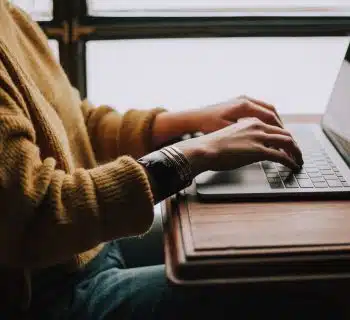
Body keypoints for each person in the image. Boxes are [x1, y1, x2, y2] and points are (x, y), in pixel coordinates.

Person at [3, 1, 345, 319]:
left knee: (272, 251)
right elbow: (38, 214)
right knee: (295, 285)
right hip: (50, 297)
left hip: (90, 246)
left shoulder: (8, 14)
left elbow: (76, 124)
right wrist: (191, 155)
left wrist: (190, 121)